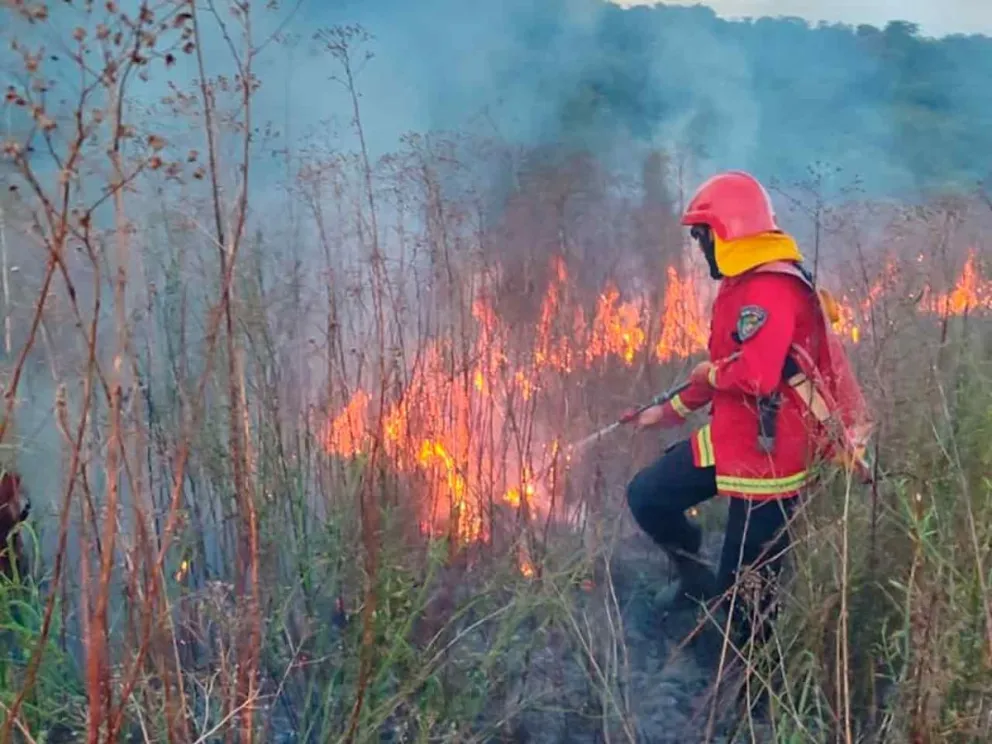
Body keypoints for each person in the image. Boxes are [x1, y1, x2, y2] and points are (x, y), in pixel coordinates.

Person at [624, 170, 870, 655]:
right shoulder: (744, 283)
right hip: (733, 435)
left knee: (748, 595)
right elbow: (726, 369)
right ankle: (694, 577)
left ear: (727, 233)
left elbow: (753, 378)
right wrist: (665, 412)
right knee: (648, 496)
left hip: (772, 453)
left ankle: (751, 685)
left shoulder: (770, 290)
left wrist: (706, 376)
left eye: (703, 237)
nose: (700, 249)